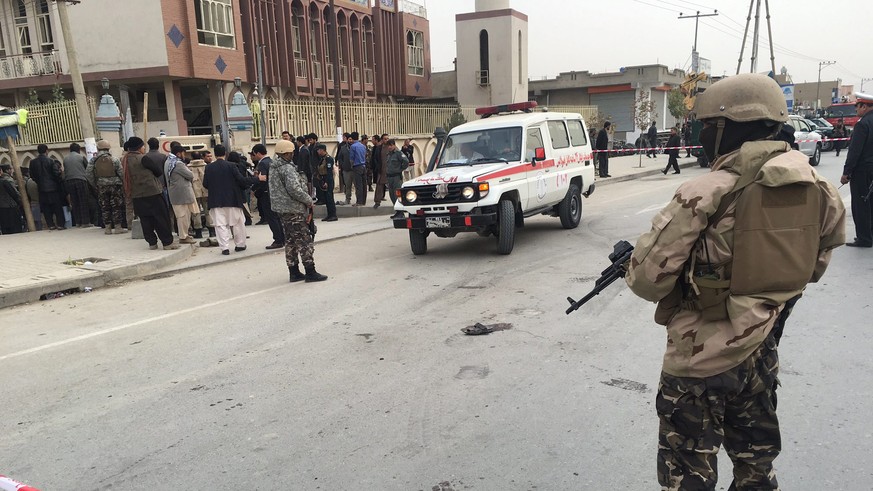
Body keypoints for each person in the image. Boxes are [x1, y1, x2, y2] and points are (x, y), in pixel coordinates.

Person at [625, 73, 845, 490]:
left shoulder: (706, 190)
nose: (703, 134)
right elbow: (813, 268)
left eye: (707, 126)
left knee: (688, 470)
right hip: (762, 350)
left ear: (727, 128)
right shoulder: (819, 188)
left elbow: (647, 280)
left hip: (698, 359)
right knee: (756, 466)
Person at [269, 139, 327, 283]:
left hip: (282, 210)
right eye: (291, 152)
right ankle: (310, 271)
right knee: (304, 240)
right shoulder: (287, 169)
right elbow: (294, 189)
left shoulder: (274, 167)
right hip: (293, 209)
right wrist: (308, 200)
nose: (293, 154)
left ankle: (294, 271)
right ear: (287, 153)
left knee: (290, 241)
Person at [126, 137, 179, 250]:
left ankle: (152, 243)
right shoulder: (143, 158)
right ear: (139, 148)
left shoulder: (124, 160)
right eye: (142, 146)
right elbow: (158, 171)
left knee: (145, 220)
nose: (144, 148)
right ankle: (167, 243)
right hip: (152, 192)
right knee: (161, 218)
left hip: (136, 195)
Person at [202, 144, 253, 255]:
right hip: (233, 199)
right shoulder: (232, 166)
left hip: (216, 200)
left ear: (215, 154)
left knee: (220, 225)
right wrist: (255, 180)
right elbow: (241, 180)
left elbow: (205, 184)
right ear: (225, 153)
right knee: (238, 223)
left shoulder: (209, 167)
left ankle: (224, 248)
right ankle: (240, 244)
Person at [840, 92, 873, 248]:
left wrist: (846, 173)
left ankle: (864, 238)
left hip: (863, 171)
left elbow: (855, 151)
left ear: (864, 106)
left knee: (860, 205)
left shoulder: (862, 124)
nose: (856, 110)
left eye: (857, 106)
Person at [85, 140, 126, 234]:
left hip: (101, 186)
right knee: (116, 206)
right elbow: (121, 172)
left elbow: (88, 174)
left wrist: (95, 184)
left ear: (98, 148)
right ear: (108, 148)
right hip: (115, 185)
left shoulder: (93, 160)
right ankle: (118, 227)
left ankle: (107, 228)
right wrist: (122, 183)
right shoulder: (114, 159)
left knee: (105, 207)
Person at [251, 143, 285, 249]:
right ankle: (282, 238)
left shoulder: (262, 164)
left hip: (266, 193)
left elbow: (263, 178)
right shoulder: (271, 161)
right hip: (274, 192)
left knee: (271, 218)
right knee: (277, 217)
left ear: (257, 153)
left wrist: (255, 188)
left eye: (253, 154)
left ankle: (278, 240)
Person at [164, 144, 200, 244]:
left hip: (175, 193)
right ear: (179, 153)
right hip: (182, 194)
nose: (184, 156)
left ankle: (184, 235)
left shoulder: (168, 161)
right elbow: (190, 175)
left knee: (181, 215)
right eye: (183, 153)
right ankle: (184, 236)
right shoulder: (178, 164)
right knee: (183, 216)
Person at [28, 144, 65, 230]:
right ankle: (60, 224)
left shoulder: (32, 162)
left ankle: (50, 224)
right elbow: (56, 174)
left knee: (46, 208)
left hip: (41, 188)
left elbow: (32, 175)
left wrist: (38, 181)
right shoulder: (51, 161)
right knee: (57, 207)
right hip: (53, 188)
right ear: (46, 151)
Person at [63, 143, 91, 227]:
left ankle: (78, 222)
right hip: (81, 180)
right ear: (78, 150)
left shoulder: (65, 159)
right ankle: (85, 222)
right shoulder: (81, 157)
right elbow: (88, 169)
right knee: (83, 201)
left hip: (69, 182)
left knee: (75, 202)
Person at [187, 151, 212, 239]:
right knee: (208, 211)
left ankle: (198, 232)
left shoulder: (188, 167)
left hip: (194, 192)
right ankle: (211, 230)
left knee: (196, 212)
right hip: (206, 191)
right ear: (201, 156)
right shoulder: (206, 166)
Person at [383, 139, 410, 219]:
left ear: (394, 145)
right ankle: (397, 211)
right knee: (392, 195)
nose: (390, 147)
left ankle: (401, 212)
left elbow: (406, 161)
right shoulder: (389, 154)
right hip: (390, 177)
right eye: (388, 146)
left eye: (391, 145)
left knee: (397, 195)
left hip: (396, 177)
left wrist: (400, 169)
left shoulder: (398, 153)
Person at [314, 144, 338, 221]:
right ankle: (329, 214)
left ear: (322, 150)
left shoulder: (328, 159)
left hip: (328, 179)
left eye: (319, 150)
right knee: (326, 199)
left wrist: (327, 182)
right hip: (323, 179)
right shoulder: (322, 159)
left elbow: (329, 172)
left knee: (329, 198)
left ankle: (333, 215)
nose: (318, 152)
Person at [0, 163, 22, 234]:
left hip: (2, 208)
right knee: (14, 227)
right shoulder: (5, 181)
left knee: (5, 228)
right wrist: (19, 202)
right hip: (10, 206)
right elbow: (14, 194)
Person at [349, 132, 368, 206]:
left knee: (358, 185)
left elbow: (351, 159)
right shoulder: (363, 146)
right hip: (363, 165)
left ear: (352, 138)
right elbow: (365, 155)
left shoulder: (353, 146)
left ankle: (359, 201)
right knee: (364, 184)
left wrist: (351, 166)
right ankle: (363, 201)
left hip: (357, 166)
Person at [337, 133, 353, 205]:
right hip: (346, 170)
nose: (350, 141)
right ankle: (347, 199)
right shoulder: (343, 148)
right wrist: (342, 165)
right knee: (347, 185)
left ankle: (359, 200)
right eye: (349, 139)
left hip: (355, 169)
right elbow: (339, 157)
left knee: (358, 186)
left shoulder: (355, 147)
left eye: (351, 139)